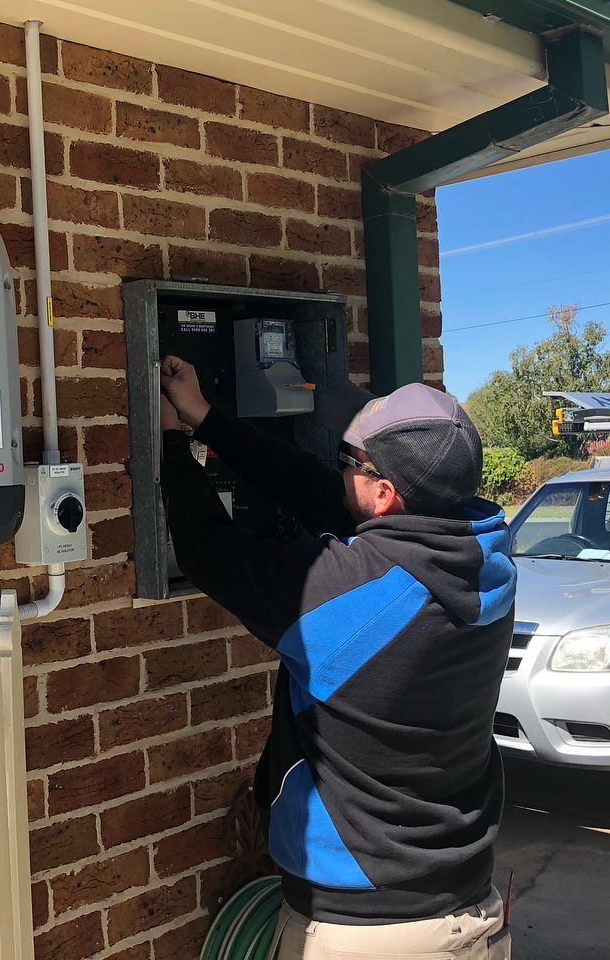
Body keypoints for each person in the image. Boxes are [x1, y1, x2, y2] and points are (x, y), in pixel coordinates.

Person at [159, 355, 515, 959]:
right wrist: (206, 418)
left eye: (349, 461)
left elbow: (208, 548)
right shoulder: (490, 564)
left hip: (367, 929)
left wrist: (170, 439)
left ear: (383, 493)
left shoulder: (345, 601)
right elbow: (329, 500)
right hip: (469, 904)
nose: (336, 468)